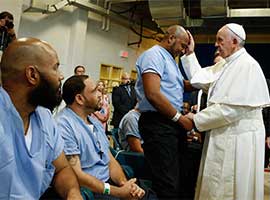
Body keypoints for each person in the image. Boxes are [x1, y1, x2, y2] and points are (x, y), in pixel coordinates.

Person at [181, 23, 270, 200]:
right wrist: (190, 54)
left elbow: (232, 109)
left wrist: (196, 119)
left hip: (239, 139)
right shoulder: (226, 64)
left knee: (230, 187)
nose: (216, 44)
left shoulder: (247, 66)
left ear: (235, 41)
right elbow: (201, 78)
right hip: (224, 134)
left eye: (220, 40)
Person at [0, 38, 82, 199]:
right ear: (32, 75)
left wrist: (73, 193)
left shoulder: (44, 117)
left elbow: (62, 169)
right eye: (55, 68)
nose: (61, 76)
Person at [56, 75, 145, 200]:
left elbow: (109, 160)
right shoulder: (64, 126)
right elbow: (77, 175)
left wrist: (126, 187)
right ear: (80, 99)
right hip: (93, 191)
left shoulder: (93, 121)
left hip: (111, 186)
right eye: (95, 91)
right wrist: (118, 192)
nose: (100, 94)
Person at [135, 25, 193, 199]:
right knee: (167, 183)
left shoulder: (170, 60)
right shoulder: (154, 55)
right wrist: (179, 119)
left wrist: (208, 80)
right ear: (171, 39)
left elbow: (182, 84)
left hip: (170, 123)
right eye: (182, 46)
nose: (183, 50)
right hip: (158, 122)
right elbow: (153, 93)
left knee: (182, 178)